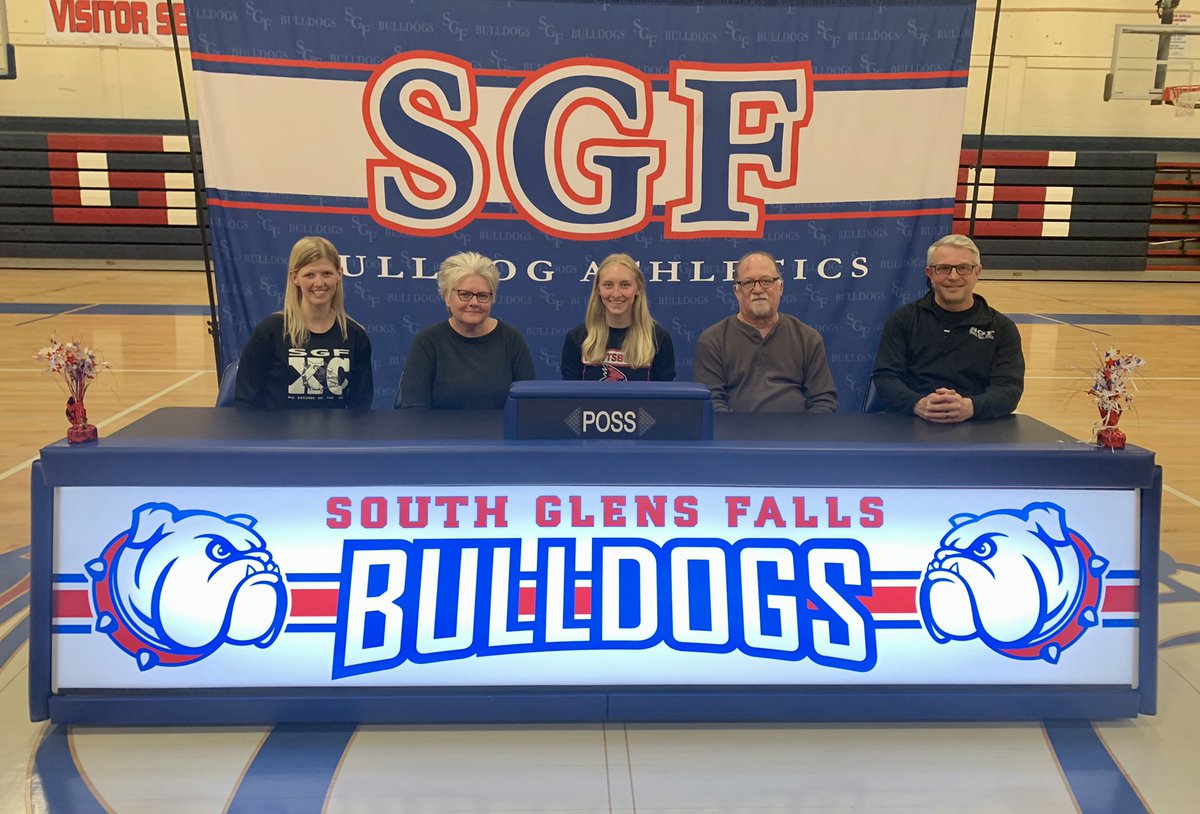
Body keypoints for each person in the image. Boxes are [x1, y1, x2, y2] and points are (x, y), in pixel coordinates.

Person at [871, 234, 1024, 422]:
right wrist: (918, 404)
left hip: (979, 427)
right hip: (910, 423)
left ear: (978, 272)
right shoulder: (902, 319)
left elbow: (1009, 389)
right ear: (929, 273)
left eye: (963, 268)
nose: (953, 277)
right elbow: (886, 377)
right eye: (943, 268)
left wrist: (970, 407)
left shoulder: (1002, 329)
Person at [235, 236, 373, 409]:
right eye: (309, 275)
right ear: (294, 278)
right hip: (276, 435)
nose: (319, 283)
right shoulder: (270, 331)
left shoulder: (355, 336)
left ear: (339, 274)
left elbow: (361, 406)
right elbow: (245, 401)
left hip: (335, 435)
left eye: (327, 274)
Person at [694, 250, 837, 412]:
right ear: (737, 291)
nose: (757, 290)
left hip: (797, 434)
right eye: (748, 283)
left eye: (766, 281)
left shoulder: (808, 338)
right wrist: (732, 434)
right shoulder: (713, 340)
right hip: (734, 434)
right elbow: (711, 402)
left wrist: (805, 434)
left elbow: (823, 400)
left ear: (780, 287)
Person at [399, 251, 535, 409]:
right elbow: (414, 409)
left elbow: (527, 405)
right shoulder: (427, 342)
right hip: (441, 433)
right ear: (447, 297)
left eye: (483, 295)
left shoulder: (511, 339)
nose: (474, 302)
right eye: (465, 294)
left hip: (500, 433)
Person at [561, 253, 676, 381]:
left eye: (625, 285)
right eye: (608, 285)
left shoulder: (659, 338)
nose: (616, 294)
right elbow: (571, 397)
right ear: (598, 289)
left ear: (638, 289)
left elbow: (664, 398)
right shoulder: (577, 338)